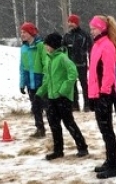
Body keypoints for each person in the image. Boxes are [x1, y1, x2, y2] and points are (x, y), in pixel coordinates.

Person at [37, 32, 89, 160]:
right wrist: (39, 93)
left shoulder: (62, 58)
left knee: (68, 122)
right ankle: (58, 150)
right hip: (51, 97)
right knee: (53, 124)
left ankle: (82, 147)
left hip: (63, 98)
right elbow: (47, 79)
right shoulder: (49, 59)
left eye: (47, 45)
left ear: (54, 45)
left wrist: (63, 90)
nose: (45, 47)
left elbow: (73, 73)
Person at [87, 15, 116, 179]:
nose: (91, 31)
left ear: (101, 28)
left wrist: (103, 94)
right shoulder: (96, 45)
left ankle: (114, 164)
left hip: (105, 94)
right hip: (97, 93)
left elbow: (108, 73)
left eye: (94, 28)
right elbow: (93, 74)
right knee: (104, 130)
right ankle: (110, 160)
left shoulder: (107, 45)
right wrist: (91, 94)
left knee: (107, 130)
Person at [19, 21, 46, 138]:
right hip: (30, 83)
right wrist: (22, 83)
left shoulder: (40, 46)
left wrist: (46, 80)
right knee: (35, 108)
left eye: (24, 32)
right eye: (21, 32)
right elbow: (22, 67)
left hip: (41, 81)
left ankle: (55, 128)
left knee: (47, 107)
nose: (22, 34)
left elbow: (46, 63)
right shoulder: (24, 48)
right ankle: (40, 129)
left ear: (30, 33)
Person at [63, 14, 92, 112]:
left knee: (84, 84)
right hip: (70, 64)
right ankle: (75, 105)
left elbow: (90, 49)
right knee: (72, 85)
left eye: (72, 22)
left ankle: (87, 105)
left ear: (76, 23)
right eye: (69, 22)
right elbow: (63, 50)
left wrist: (90, 61)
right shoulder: (67, 36)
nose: (70, 24)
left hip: (82, 64)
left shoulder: (84, 35)